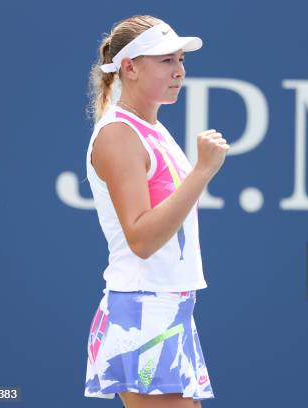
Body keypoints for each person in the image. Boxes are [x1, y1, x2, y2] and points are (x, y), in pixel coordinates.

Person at [83, 15, 228, 408]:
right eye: (166, 61)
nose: (179, 71)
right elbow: (142, 239)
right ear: (129, 67)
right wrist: (201, 172)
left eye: (181, 60)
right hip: (143, 311)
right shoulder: (118, 135)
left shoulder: (154, 130)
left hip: (169, 308)